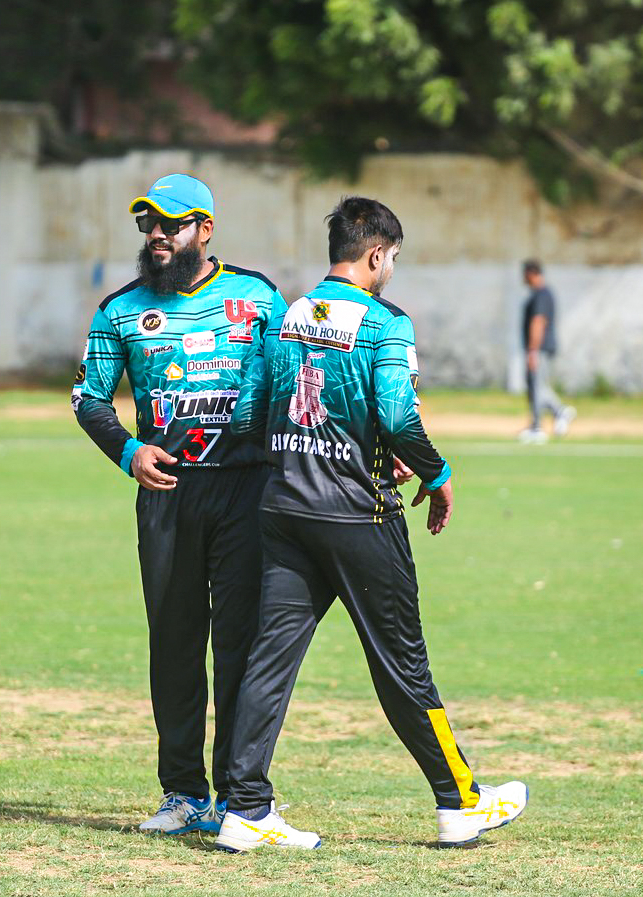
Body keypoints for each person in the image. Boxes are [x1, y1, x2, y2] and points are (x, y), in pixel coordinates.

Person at [214, 196, 528, 852]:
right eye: (393, 259)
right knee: (402, 666)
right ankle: (461, 803)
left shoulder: (289, 314)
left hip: (284, 510)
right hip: (360, 516)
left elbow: (249, 414)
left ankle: (244, 810)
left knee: (268, 661)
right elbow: (397, 415)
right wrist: (436, 474)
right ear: (377, 254)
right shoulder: (386, 323)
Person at [72, 173, 286, 835]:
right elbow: (88, 397)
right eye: (149, 225)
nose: (158, 235)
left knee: (241, 646)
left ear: (205, 229)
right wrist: (128, 451)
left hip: (247, 490)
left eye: (172, 223)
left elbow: (294, 385)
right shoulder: (120, 310)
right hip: (166, 493)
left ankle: (237, 796)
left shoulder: (257, 297)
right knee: (173, 643)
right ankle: (184, 794)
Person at [520, 260, 576, 443]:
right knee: (536, 385)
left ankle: (538, 427)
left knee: (537, 386)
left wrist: (533, 351)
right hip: (541, 348)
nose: (522, 278)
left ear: (531, 273)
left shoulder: (541, 294)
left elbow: (538, 321)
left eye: (524, 274)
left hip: (540, 348)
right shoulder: (541, 293)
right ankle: (559, 412)